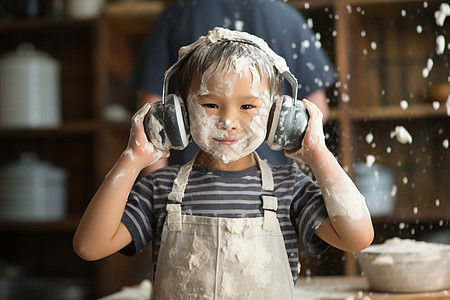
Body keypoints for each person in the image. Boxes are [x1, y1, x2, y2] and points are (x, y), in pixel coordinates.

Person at [74, 28, 373, 299]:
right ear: (178, 111)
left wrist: (317, 153)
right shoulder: (161, 188)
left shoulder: (289, 187)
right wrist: (132, 158)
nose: (229, 121)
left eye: (248, 106)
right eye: (210, 105)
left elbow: (358, 237)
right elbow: (90, 246)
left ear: (276, 115)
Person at [130, 0, 337, 170]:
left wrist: (157, 195)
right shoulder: (287, 17)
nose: (229, 122)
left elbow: (153, 114)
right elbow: (316, 109)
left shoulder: (176, 16)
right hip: (272, 181)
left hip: (192, 186)